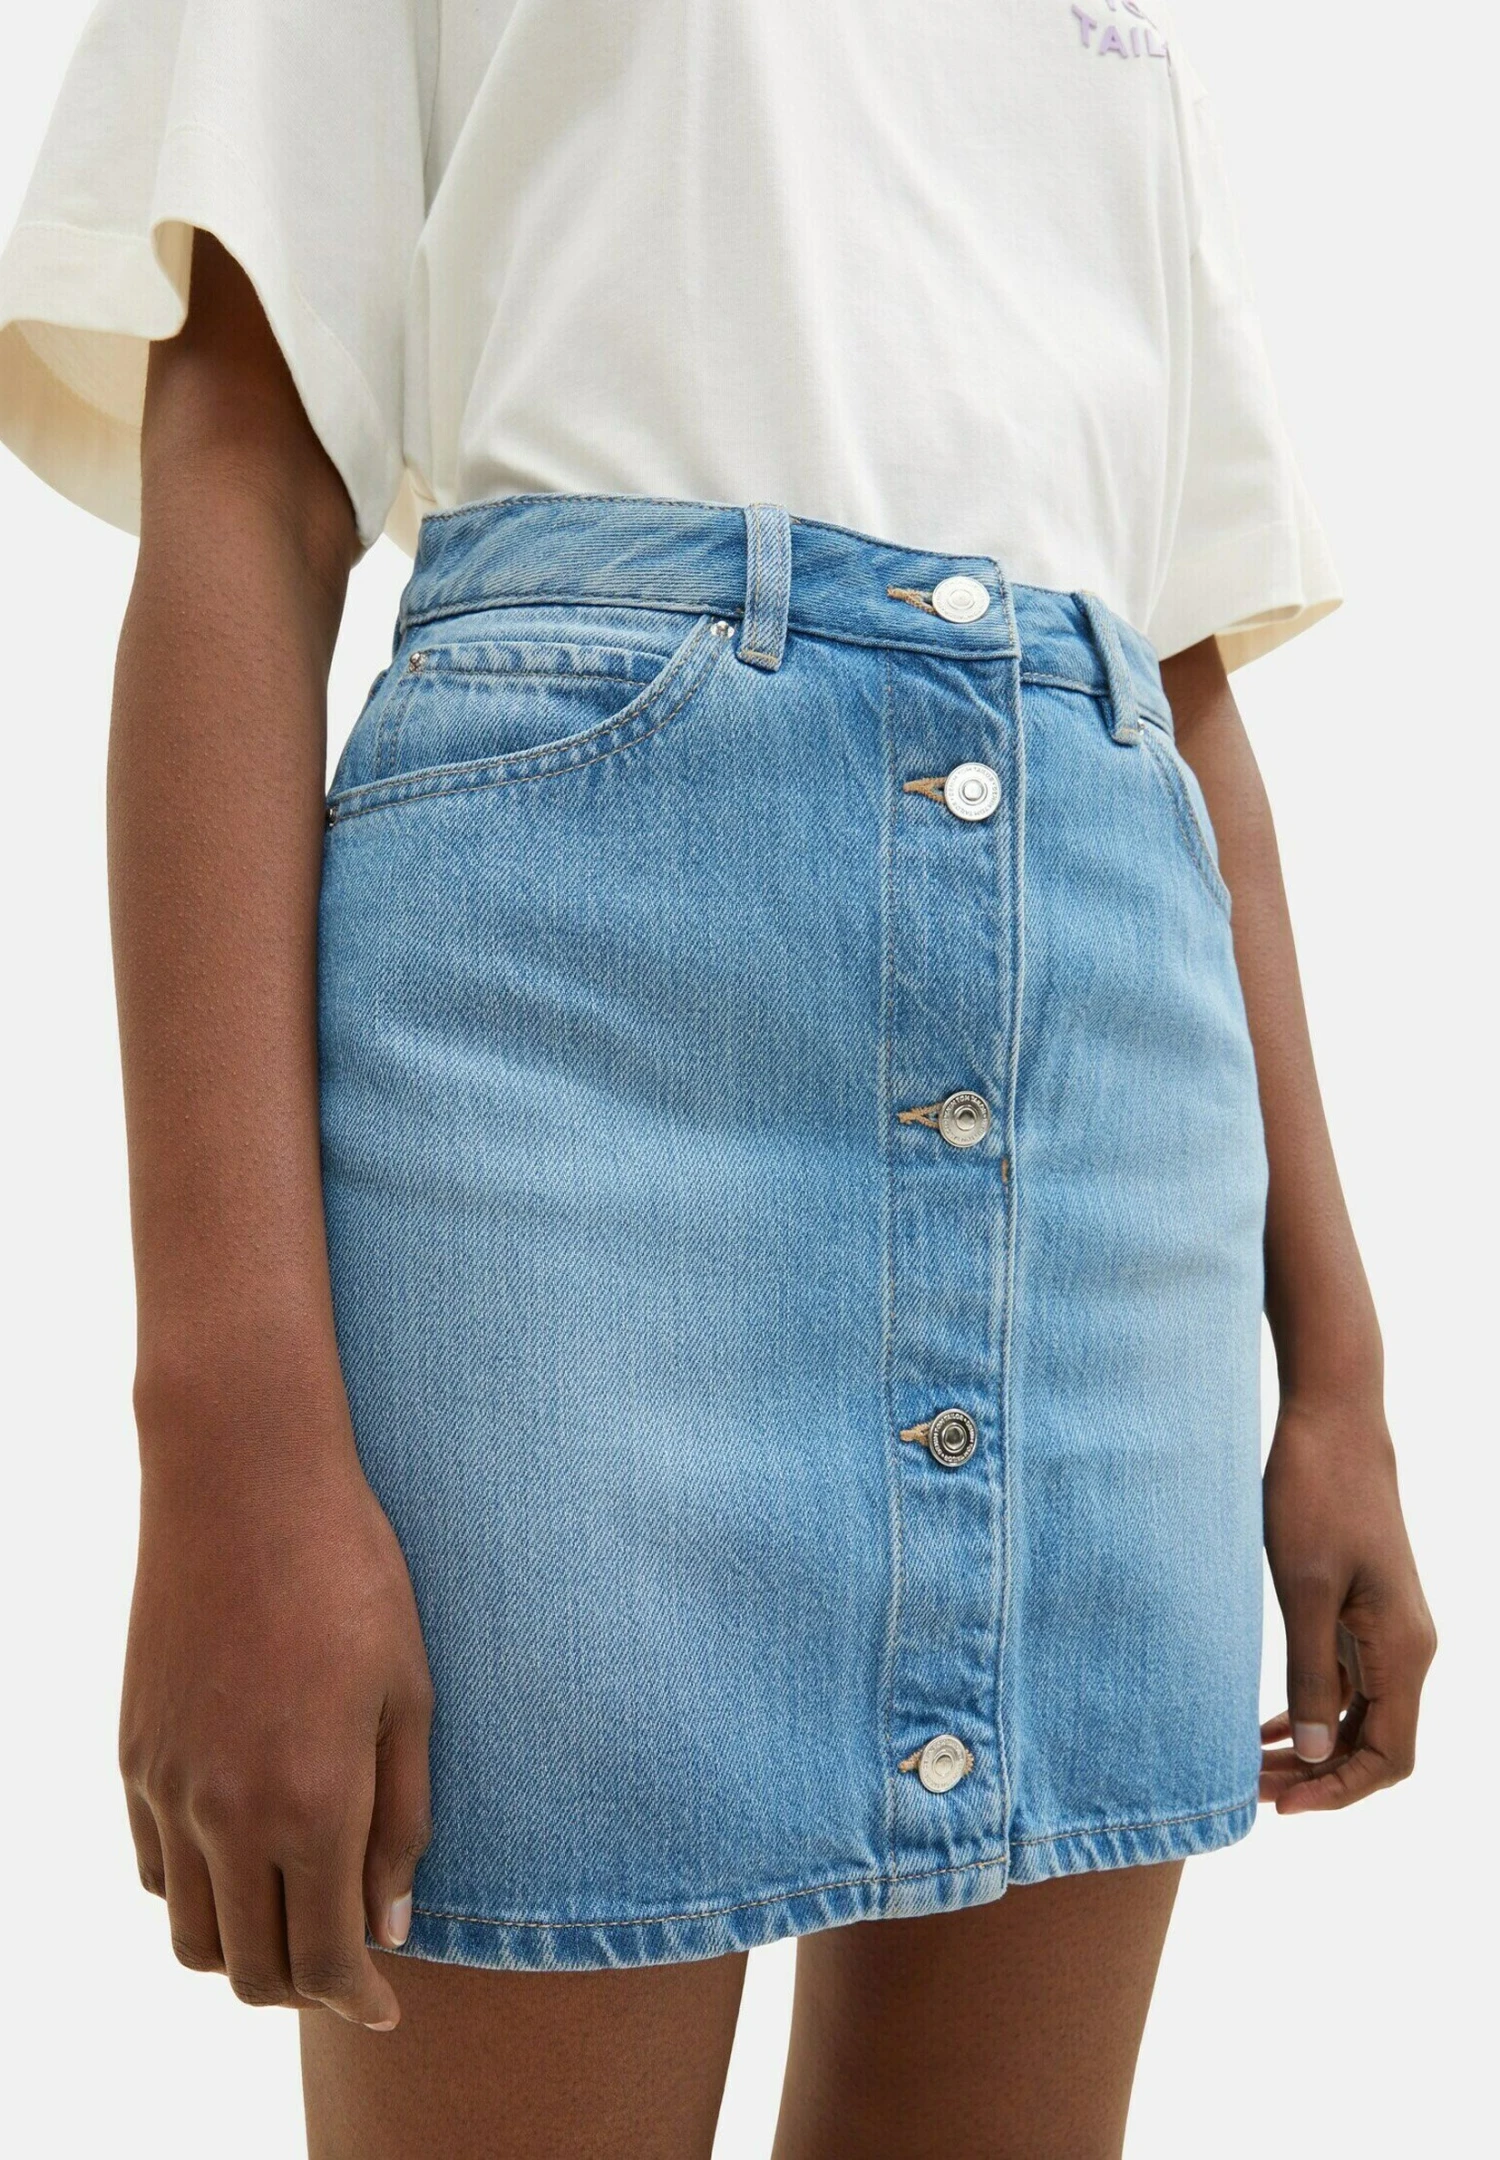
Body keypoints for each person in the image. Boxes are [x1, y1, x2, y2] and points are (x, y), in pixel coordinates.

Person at [0, 5, 1435, 2156]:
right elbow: (245, 488)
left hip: (1110, 1109)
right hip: (580, 1066)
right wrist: (226, 1443)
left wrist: (1340, 1374)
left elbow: (1181, 668)